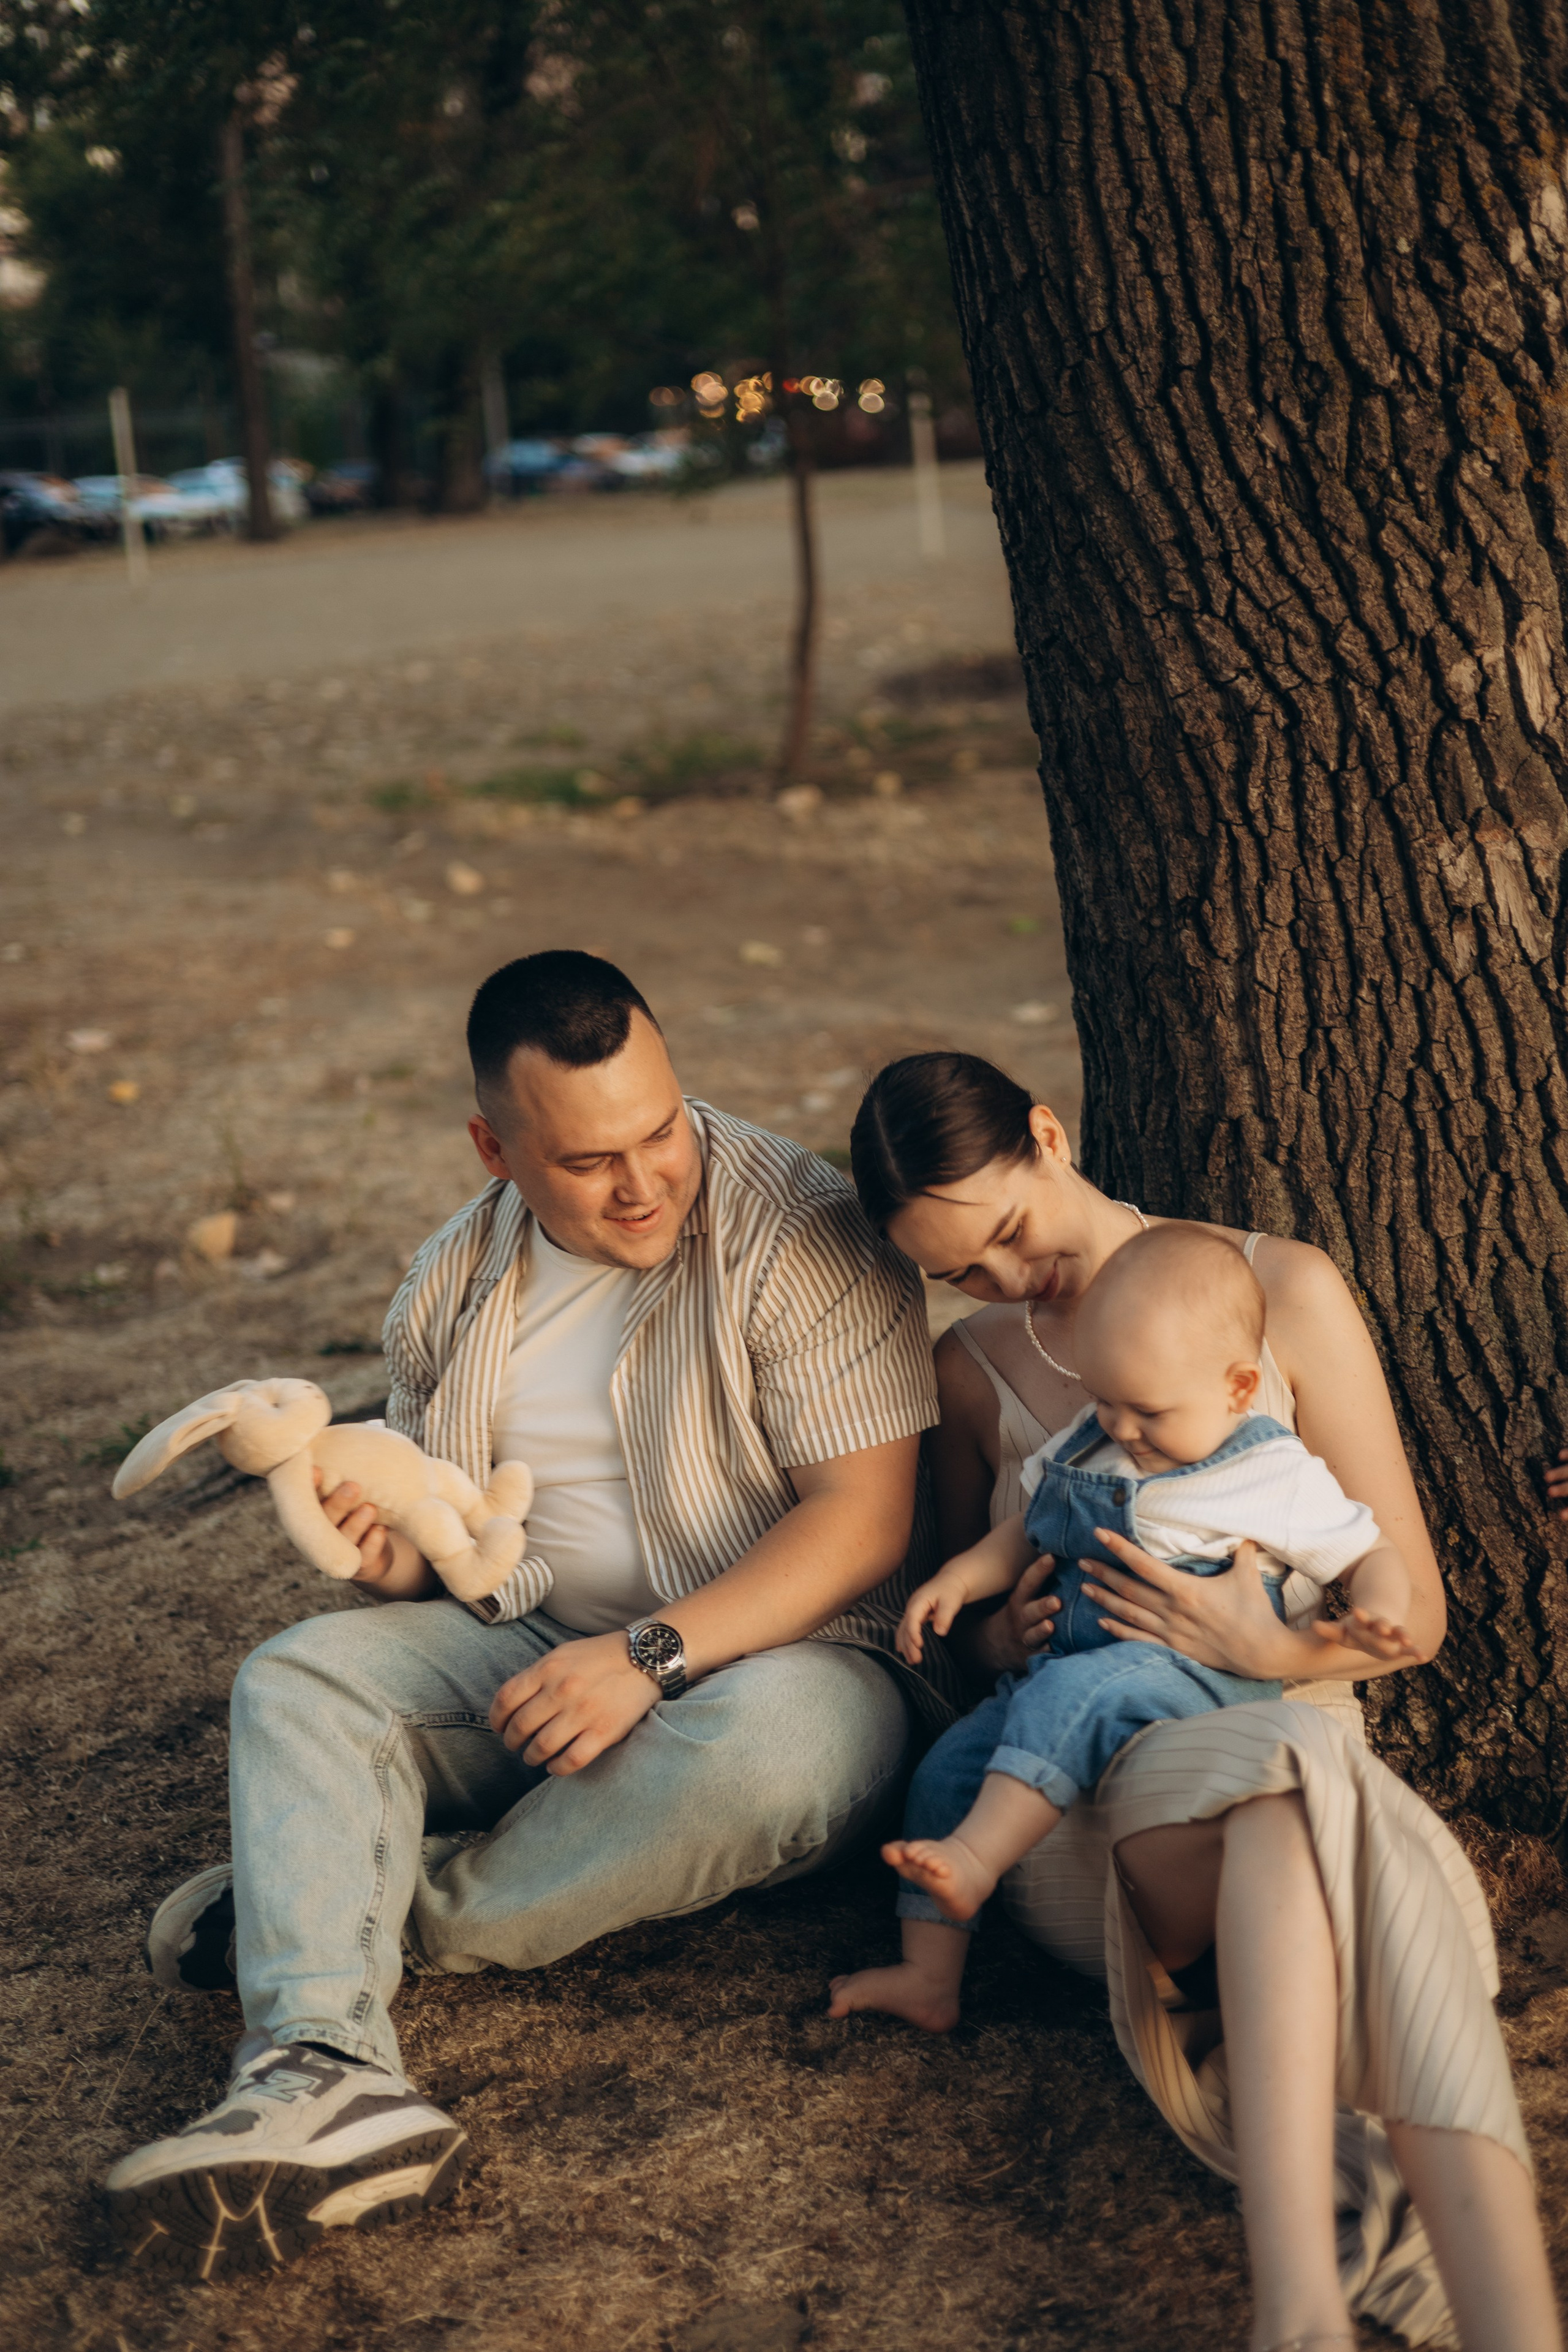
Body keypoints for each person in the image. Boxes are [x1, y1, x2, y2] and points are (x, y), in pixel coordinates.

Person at [106, 952, 951, 2279]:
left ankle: (345, 1901)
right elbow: (452, 1550)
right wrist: (383, 1558)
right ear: (494, 1147)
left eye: (661, 1129)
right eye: (591, 1160)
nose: (645, 1180)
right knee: (301, 1675)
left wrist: (648, 1654)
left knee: (771, 1747)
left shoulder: (801, 1229)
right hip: (534, 1645)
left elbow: (862, 1520)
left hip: (781, 1665)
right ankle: (324, 2070)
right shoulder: (451, 1279)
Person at [834, 1050, 1561, 2352]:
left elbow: (1414, 1612)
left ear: (1049, 1136)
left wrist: (1268, 1648)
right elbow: (957, 1645)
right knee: (1317, 1836)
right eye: (962, 1275)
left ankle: (1327, 2316)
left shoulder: (1277, 1289)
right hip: (1080, 1798)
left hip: (1291, 1742)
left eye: (1005, 1233)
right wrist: (1001, 1630)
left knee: (1312, 1813)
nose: (1006, 1283)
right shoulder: (975, 1370)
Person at [834, 1222, 1414, 2033]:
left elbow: (1369, 1550)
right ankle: (929, 1974)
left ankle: (976, 1858)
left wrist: (1380, 1610)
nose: (1122, 1429)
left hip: (1192, 1680)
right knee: (949, 1766)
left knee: (1078, 1689)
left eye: (1148, 1410)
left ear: (1240, 1389)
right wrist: (958, 1579)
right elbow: (1027, 1531)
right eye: (1106, 1401)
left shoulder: (1268, 1470)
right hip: (1056, 1673)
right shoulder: (1097, 1438)